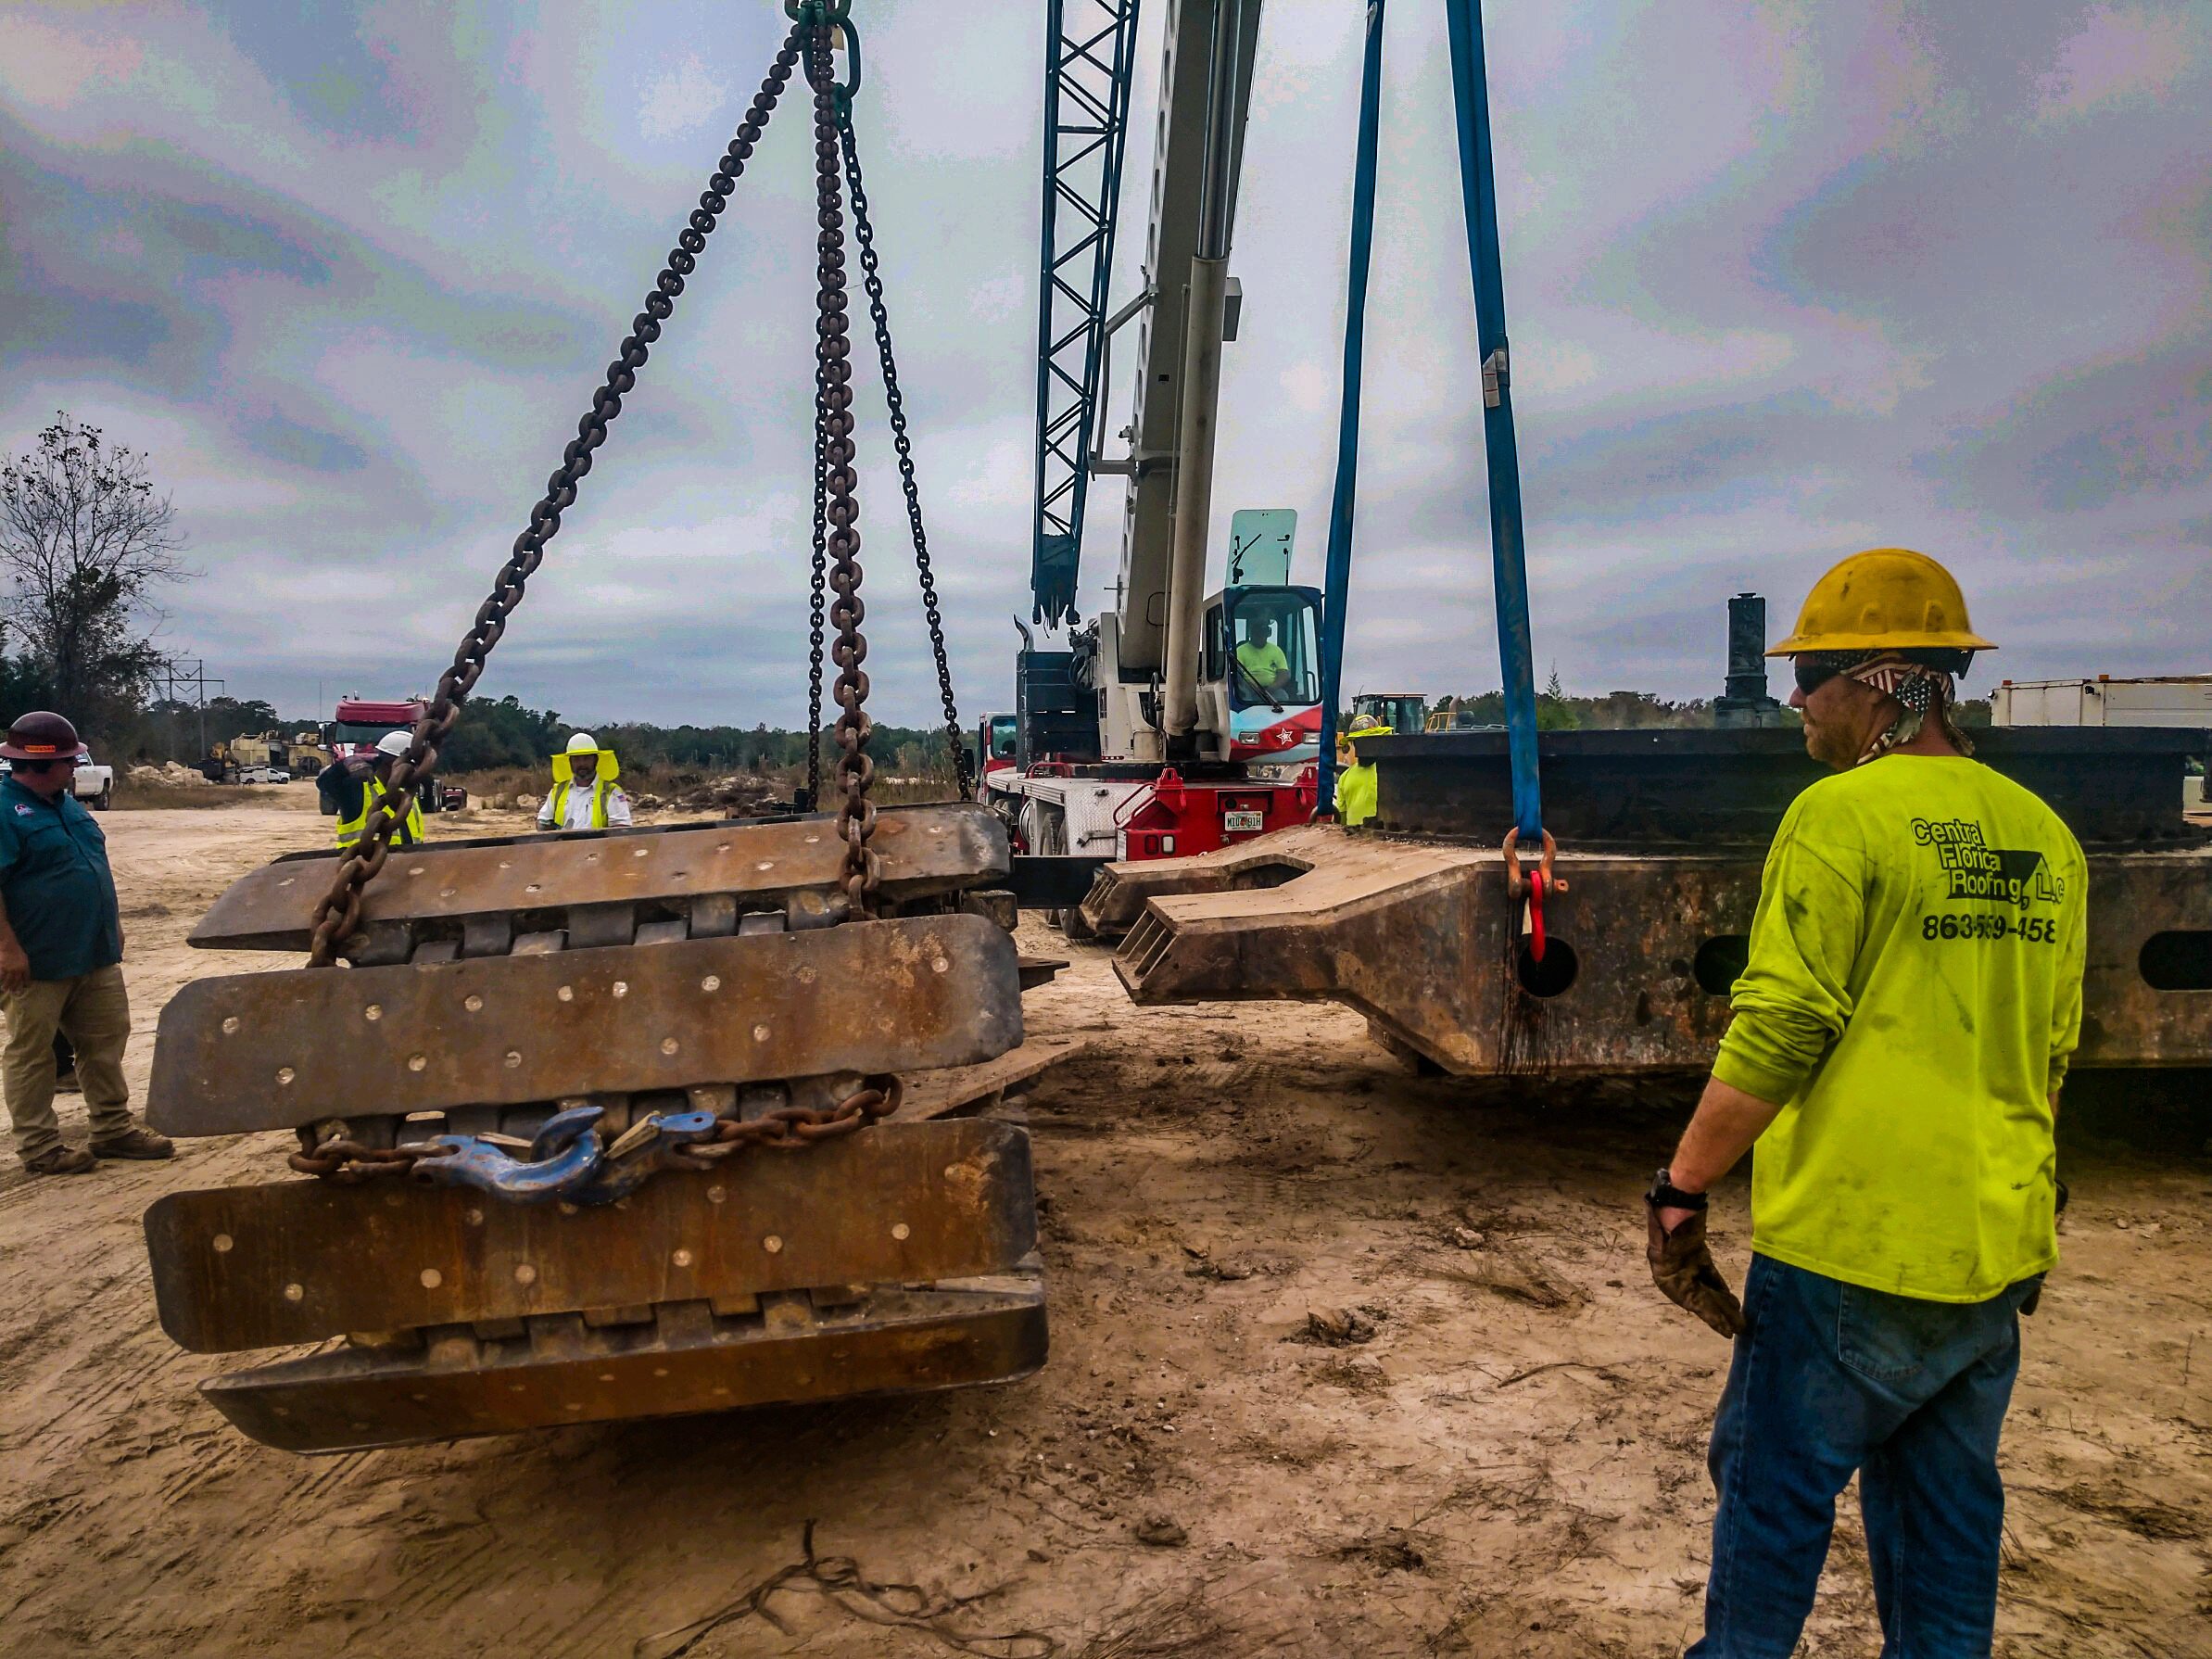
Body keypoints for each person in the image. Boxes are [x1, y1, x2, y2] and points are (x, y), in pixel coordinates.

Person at [1645, 549, 2086, 1658]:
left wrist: (1680, 1185)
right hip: (1987, 1250)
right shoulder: (2044, 835)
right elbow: (2050, 1052)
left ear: (1886, 678)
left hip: (1849, 1250)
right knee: (1944, 1544)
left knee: (1767, 1517)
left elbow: (1780, 1027)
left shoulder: (1839, 817)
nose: (1793, 696)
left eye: (1814, 674)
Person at [0, 710, 173, 1175]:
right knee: (33, 1055)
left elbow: (93, 865)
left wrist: (110, 923)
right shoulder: (4, 811)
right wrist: (7, 949)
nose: (76, 767)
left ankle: (112, 1130)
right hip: (37, 962)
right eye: (68, 760)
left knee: (105, 1043)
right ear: (39, 763)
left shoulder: (68, 804)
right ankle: (40, 1147)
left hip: (92, 954)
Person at [320, 728, 425, 849]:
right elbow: (325, 783)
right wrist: (347, 763)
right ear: (390, 763)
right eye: (411, 767)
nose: (415, 773)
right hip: (361, 865)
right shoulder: (359, 791)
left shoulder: (409, 800)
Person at [537, 731, 632, 831]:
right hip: (563, 846)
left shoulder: (612, 792)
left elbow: (622, 829)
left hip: (599, 847)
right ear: (570, 762)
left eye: (587, 758)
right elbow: (542, 822)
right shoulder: (557, 792)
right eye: (577, 759)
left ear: (596, 760)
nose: (582, 763)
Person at [1333, 716, 1390, 828]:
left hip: (1382, 839)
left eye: (1369, 741)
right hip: (1356, 840)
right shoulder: (1344, 777)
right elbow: (1342, 820)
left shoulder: (1388, 774)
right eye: (1361, 742)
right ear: (1353, 744)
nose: (1366, 746)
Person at [1233, 615, 1291, 703]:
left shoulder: (1276, 651)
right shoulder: (1240, 651)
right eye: (1257, 632)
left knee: (1283, 696)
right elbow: (1236, 674)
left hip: (1271, 689)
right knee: (1243, 698)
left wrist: (1272, 688)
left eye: (1263, 632)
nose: (1260, 635)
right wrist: (1253, 687)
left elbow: (1284, 674)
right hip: (1248, 689)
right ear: (1251, 633)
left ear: (1268, 633)